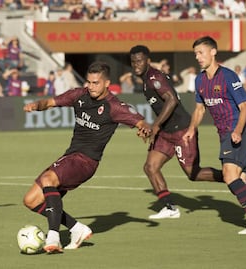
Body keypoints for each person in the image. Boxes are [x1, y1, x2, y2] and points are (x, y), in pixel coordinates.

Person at [22, 61, 151, 253]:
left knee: (48, 179)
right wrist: (35, 105)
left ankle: (53, 237)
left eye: (96, 83)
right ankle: (76, 228)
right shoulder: (79, 95)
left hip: (86, 161)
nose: (91, 86)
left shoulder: (115, 107)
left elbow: (142, 122)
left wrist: (145, 129)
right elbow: (49, 102)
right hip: (71, 156)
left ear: (107, 83)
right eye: (89, 82)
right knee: (31, 201)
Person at [183, 36, 246, 234]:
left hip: (239, 132)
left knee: (229, 176)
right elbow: (199, 110)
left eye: (200, 52)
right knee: (242, 182)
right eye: (195, 53)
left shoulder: (228, 76)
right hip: (225, 135)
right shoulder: (200, 80)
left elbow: (245, 106)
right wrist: (191, 129)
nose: (197, 57)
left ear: (213, 52)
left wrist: (238, 131)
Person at [129, 45, 224, 219]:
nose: (136, 65)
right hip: (166, 132)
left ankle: (232, 176)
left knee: (193, 174)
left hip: (181, 130)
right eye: (133, 62)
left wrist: (155, 126)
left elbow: (171, 100)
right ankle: (170, 208)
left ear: (148, 61)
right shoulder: (145, 79)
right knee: (150, 167)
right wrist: (155, 127)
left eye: (140, 61)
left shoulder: (154, 76)